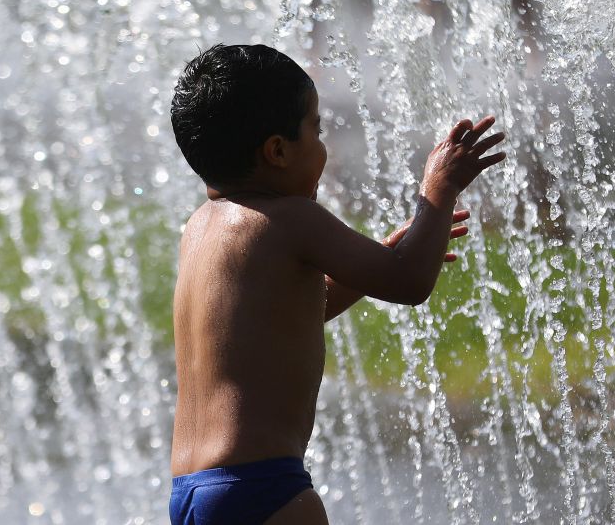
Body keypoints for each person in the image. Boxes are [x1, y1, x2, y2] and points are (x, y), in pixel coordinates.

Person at [167, 43, 505, 524]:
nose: (324, 147)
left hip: (191, 491)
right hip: (265, 488)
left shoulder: (201, 228)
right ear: (278, 151)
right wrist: (440, 188)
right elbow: (410, 283)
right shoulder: (290, 218)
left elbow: (292, 313)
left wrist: (377, 258)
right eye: (316, 130)